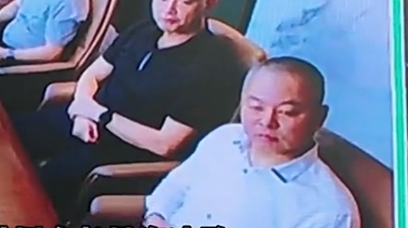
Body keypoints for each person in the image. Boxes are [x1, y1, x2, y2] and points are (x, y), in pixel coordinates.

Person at [11, 0, 243, 219]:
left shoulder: (211, 65)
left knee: (36, 185)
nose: (169, 9)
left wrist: (100, 115)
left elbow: (165, 144)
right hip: (87, 121)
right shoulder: (143, 31)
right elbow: (93, 74)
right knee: (10, 134)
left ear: (209, 3)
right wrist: (82, 113)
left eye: (184, 1)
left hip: (123, 151)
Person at [144, 58, 359, 228]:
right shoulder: (224, 138)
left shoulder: (329, 211)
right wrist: (156, 218)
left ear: (320, 117)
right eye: (256, 107)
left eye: (287, 112)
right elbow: (173, 190)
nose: (267, 122)